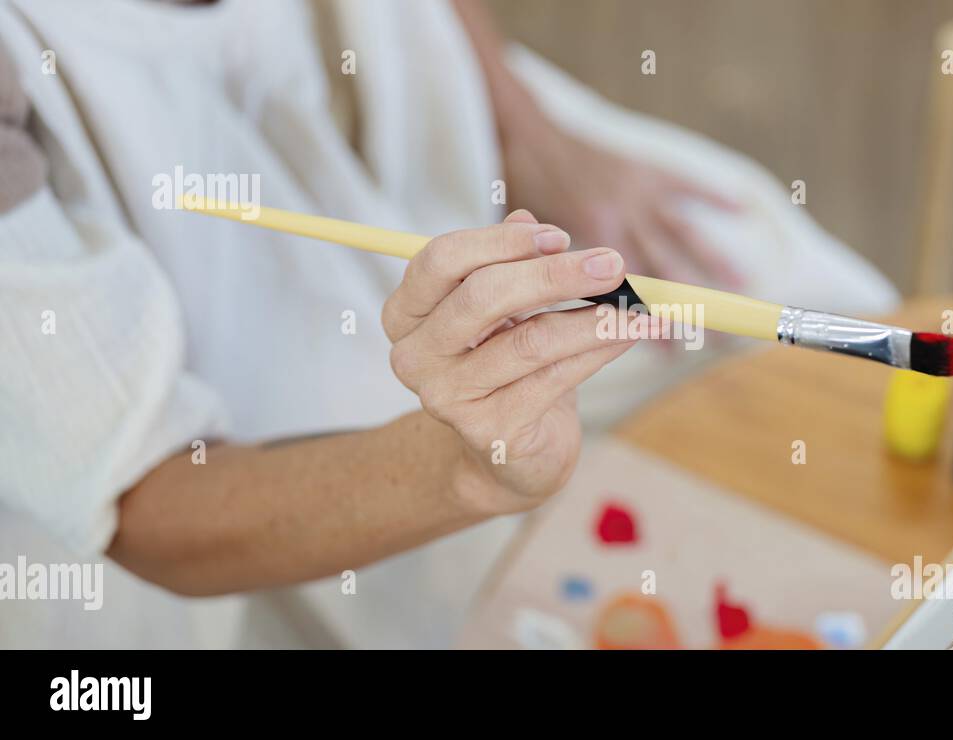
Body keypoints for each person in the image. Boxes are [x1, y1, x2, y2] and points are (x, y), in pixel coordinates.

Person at [0, 0, 896, 647]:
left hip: (440, 127)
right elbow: (149, 500)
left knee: (791, 279)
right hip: (203, 420)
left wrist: (522, 129)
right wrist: (469, 469)